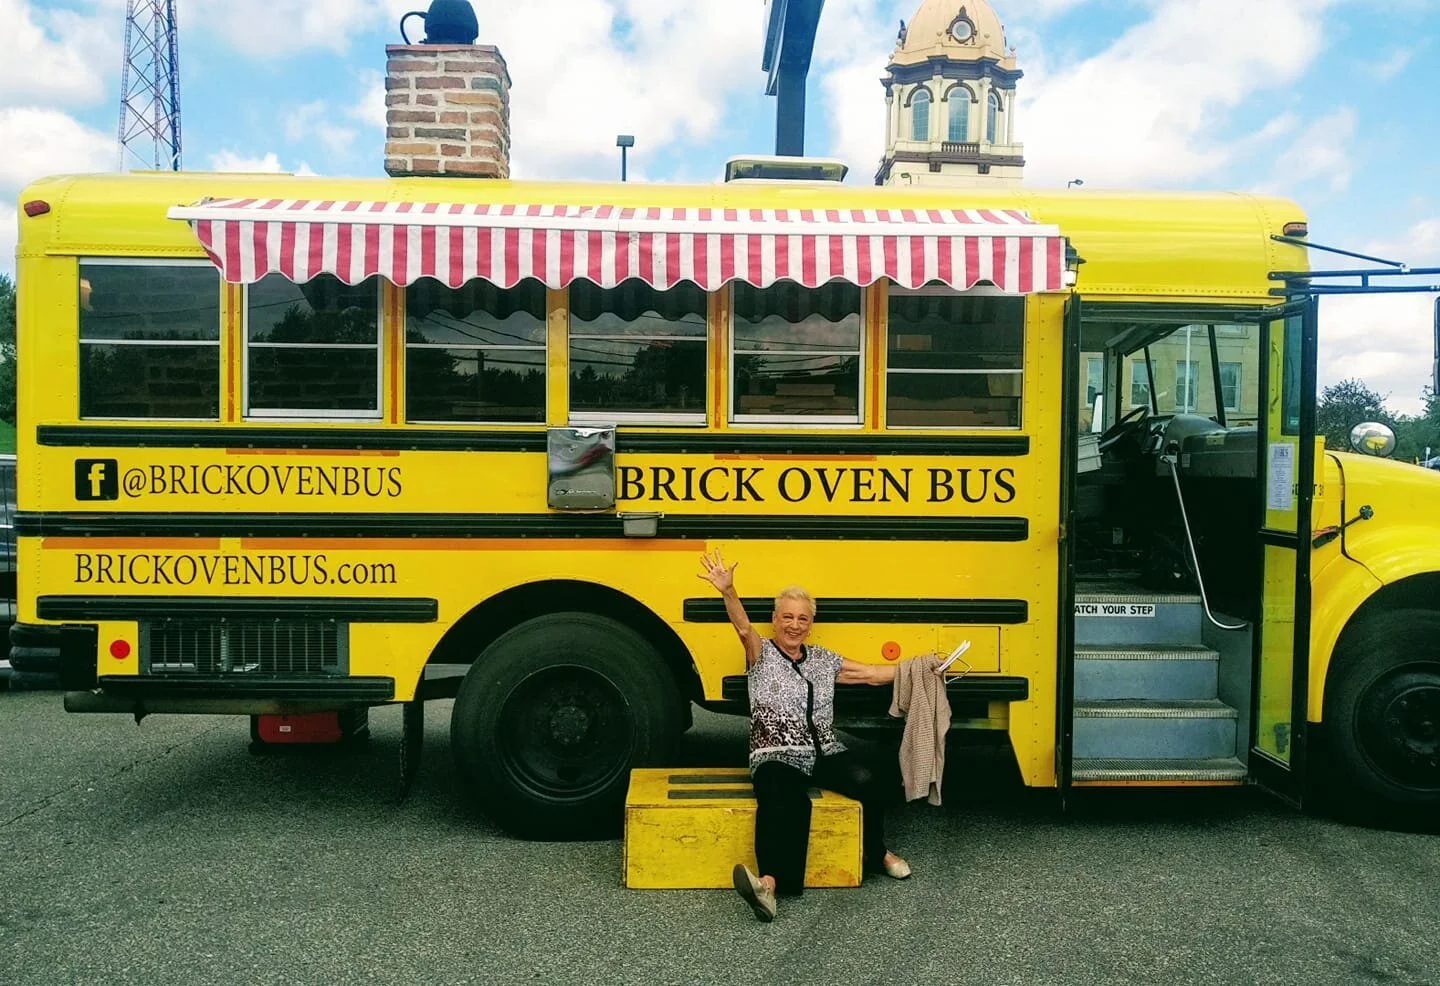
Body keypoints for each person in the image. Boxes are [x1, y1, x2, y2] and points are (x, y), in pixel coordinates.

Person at [697, 548, 921, 923]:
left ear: (810, 624)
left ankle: (877, 853)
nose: (794, 625)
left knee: (868, 780)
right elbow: (743, 628)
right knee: (783, 800)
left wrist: (922, 668)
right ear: (775, 620)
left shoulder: (822, 659)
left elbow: (870, 674)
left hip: (823, 749)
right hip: (776, 752)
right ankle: (768, 885)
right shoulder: (761, 654)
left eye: (802, 618)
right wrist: (728, 591)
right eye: (787, 617)